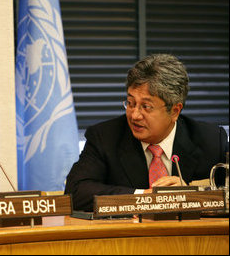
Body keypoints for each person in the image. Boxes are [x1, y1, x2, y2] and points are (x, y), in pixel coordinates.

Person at [64, 54, 229, 212]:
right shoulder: (105, 137)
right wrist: (144, 198)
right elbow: (75, 193)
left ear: (174, 111)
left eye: (146, 106)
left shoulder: (212, 139)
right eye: (130, 103)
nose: (135, 115)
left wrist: (192, 194)